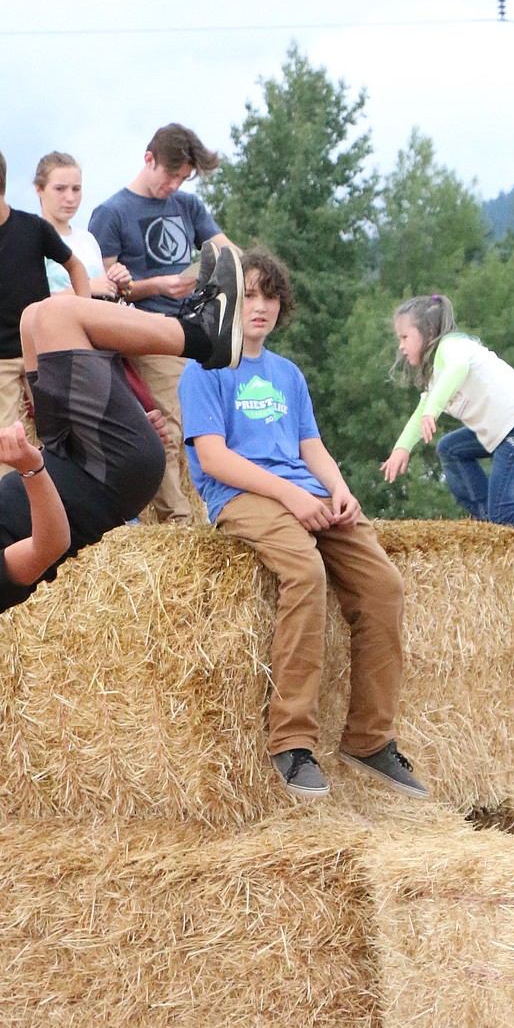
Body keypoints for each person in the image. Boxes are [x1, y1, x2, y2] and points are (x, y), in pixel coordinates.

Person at [0, 247, 245, 697]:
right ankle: (199, 336)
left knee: (34, 321)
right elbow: (50, 545)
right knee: (59, 316)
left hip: (75, 454)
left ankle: (188, 321)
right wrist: (30, 467)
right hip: (106, 471)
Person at [179, 248, 426, 802]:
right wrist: (291, 496)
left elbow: (310, 446)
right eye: (249, 295)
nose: (260, 306)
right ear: (229, 302)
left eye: (270, 296)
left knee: (384, 585)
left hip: (306, 491)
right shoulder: (203, 368)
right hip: (243, 495)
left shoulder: (287, 374)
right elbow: (214, 459)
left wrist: (339, 489)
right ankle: (291, 740)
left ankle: (369, 739)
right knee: (305, 574)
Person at [88, 124, 235, 524]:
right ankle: (179, 522)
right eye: (170, 176)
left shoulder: (188, 207)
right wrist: (156, 285)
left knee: (214, 425)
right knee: (169, 425)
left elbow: (228, 252)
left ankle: (225, 511)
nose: (174, 185)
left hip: (197, 328)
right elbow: (105, 293)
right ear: (148, 159)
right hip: (148, 330)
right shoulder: (111, 213)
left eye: (182, 179)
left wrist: (222, 270)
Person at [0, 139, 89, 485]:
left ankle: (68, 504)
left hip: (41, 353)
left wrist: (84, 316)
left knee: (60, 433)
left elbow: (76, 267)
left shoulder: (34, 229)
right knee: (6, 439)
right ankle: (3, 512)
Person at [379, 294, 514, 533]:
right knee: (449, 448)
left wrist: (433, 412)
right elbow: (421, 410)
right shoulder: (436, 372)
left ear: (427, 333)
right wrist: (401, 448)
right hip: (507, 429)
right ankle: (486, 525)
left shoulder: (452, 346)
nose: (401, 346)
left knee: (506, 515)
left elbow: (459, 367)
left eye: (405, 337)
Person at [33, 151, 130, 300]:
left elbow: (106, 291)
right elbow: (29, 304)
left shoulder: (87, 239)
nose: (70, 198)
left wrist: (119, 284)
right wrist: (86, 287)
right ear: (39, 189)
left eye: (76, 189)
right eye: (60, 189)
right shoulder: (31, 239)